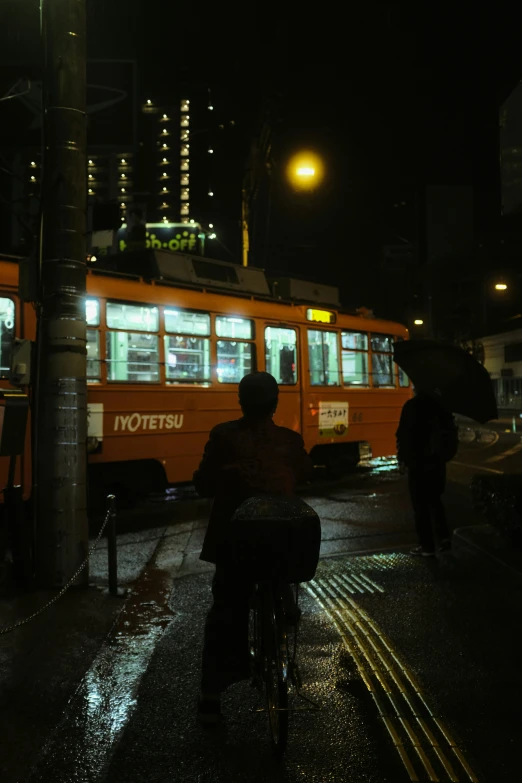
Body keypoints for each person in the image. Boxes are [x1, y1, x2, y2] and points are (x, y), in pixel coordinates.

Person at [193, 371, 313, 724]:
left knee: (226, 612)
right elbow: (306, 472)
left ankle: (211, 697)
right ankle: (281, 625)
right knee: (279, 585)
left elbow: (203, 484)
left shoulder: (223, 435)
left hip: (234, 545)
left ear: (240, 402)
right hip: (280, 543)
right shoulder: (289, 440)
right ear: (276, 404)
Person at [396, 388, 457, 557]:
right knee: (435, 501)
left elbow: (402, 434)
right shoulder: (441, 407)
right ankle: (444, 539)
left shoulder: (411, 406)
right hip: (437, 463)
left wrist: (402, 459)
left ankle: (427, 545)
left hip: (417, 464)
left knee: (420, 506)